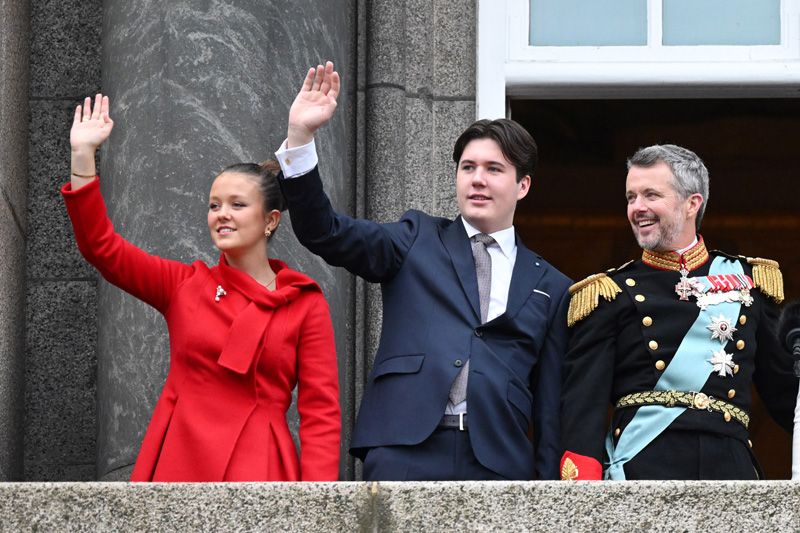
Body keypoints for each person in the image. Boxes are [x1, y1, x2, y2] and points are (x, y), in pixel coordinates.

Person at [273, 62, 571, 481]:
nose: (477, 180)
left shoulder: (553, 285)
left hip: (501, 461)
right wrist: (302, 138)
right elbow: (326, 232)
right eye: (468, 168)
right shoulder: (416, 237)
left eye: (494, 169)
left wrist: (549, 492)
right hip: (402, 448)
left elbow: (549, 399)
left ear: (523, 185)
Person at [63, 94, 341, 481]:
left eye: (237, 205)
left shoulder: (303, 302)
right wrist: (83, 156)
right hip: (180, 456)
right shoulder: (185, 285)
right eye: (214, 205)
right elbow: (102, 248)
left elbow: (320, 413)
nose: (222, 215)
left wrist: (317, 507)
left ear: (270, 220)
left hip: (260, 465)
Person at [560, 144, 798, 480]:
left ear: (692, 203)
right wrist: (582, 495)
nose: (637, 208)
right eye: (631, 197)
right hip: (642, 469)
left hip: (730, 472)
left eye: (650, 195)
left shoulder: (748, 284)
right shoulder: (609, 293)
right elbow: (582, 409)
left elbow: (786, 394)